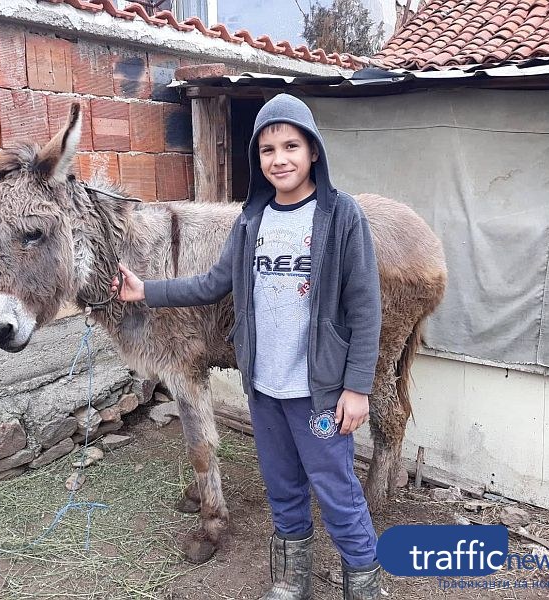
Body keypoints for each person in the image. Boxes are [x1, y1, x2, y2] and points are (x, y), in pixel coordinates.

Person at [111, 93, 382, 600]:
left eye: (291, 146)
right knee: (282, 491)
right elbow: (212, 284)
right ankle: (290, 582)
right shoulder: (252, 220)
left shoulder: (342, 216)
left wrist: (357, 387)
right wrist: (146, 290)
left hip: (318, 395)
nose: (279, 159)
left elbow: (366, 306)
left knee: (338, 493)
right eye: (266, 149)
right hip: (264, 388)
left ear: (314, 151)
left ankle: (364, 588)